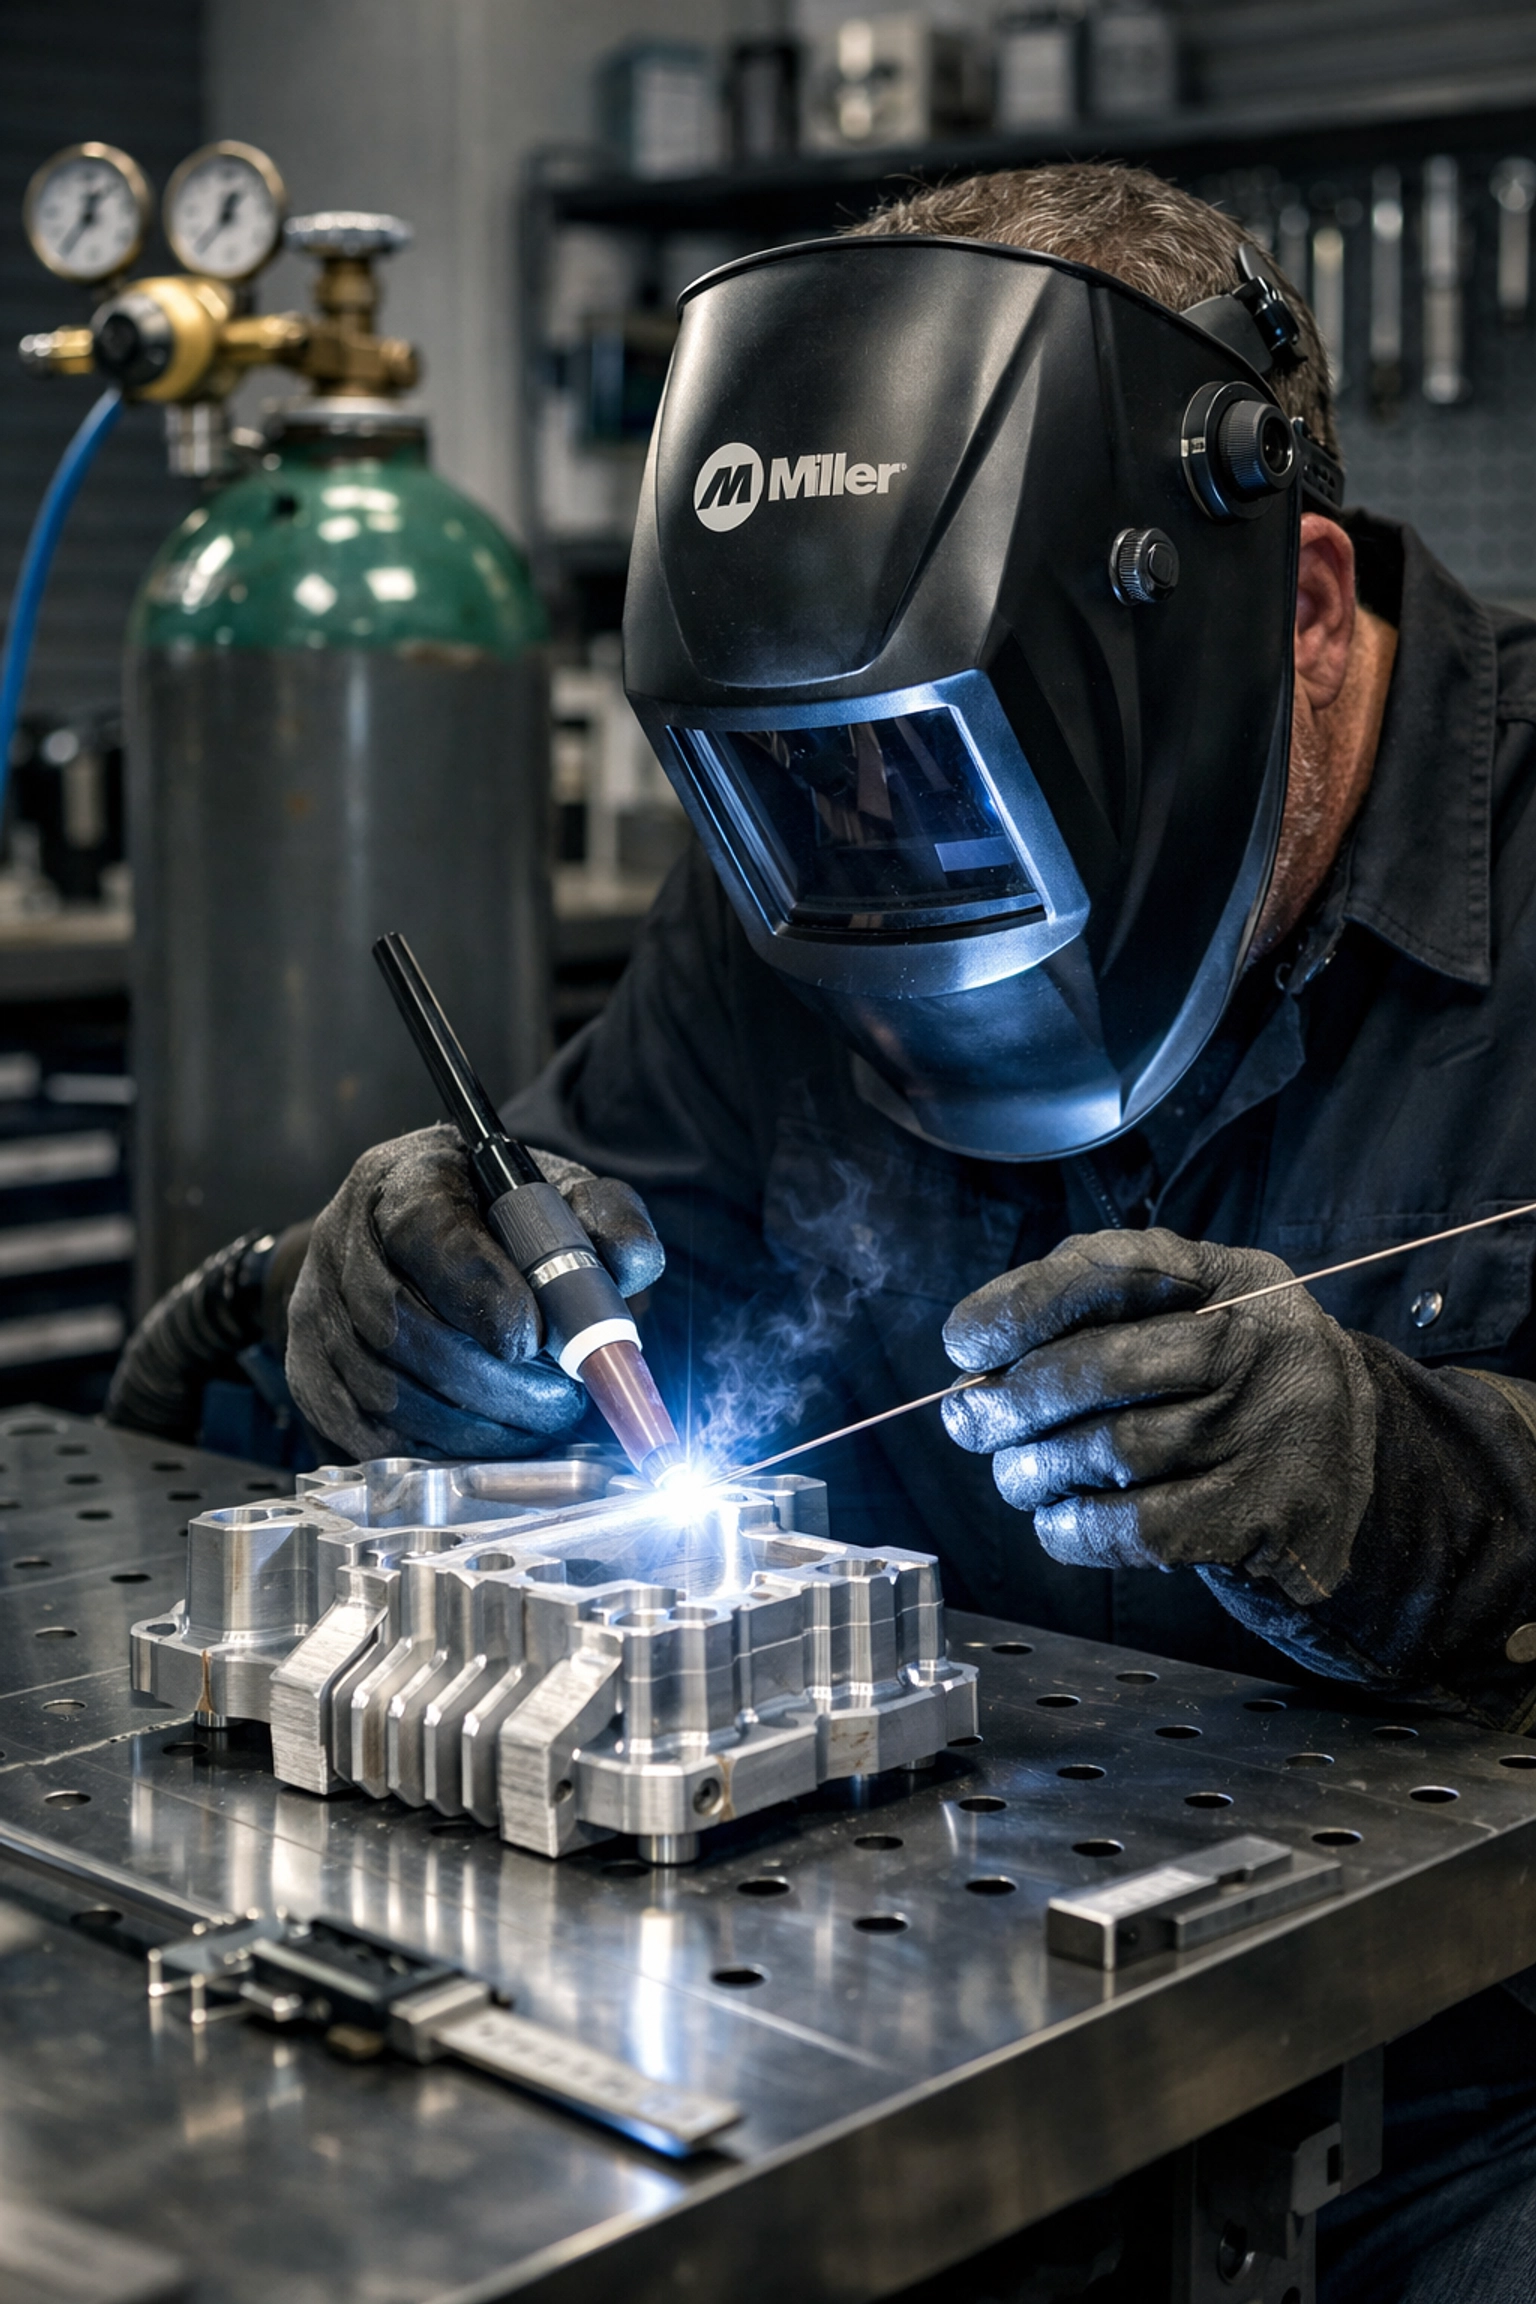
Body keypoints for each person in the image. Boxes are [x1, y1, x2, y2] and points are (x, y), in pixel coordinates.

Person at [110, 165, 1536, 2302]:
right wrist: (424, 1310)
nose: (891, 876)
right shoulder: (818, 830)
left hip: (1446, 2091)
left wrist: (1406, 1482)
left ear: (1299, 608)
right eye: (817, 795)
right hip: (902, 2031)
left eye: (955, 781)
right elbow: (585, 1292)